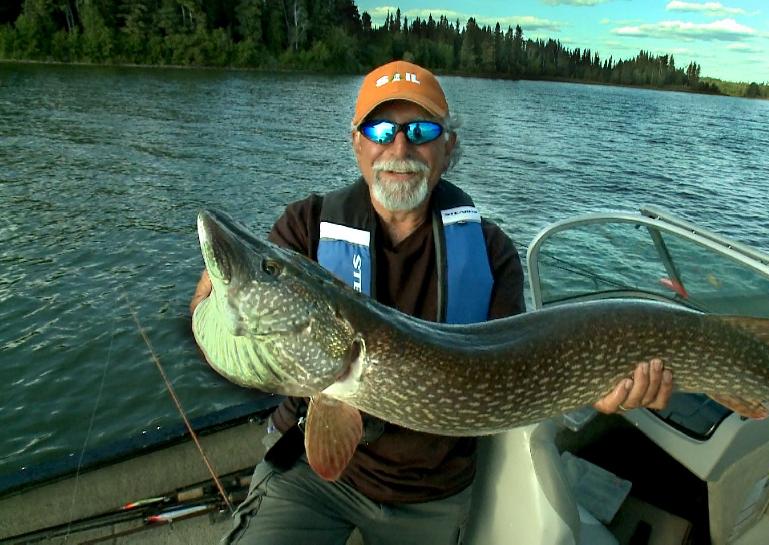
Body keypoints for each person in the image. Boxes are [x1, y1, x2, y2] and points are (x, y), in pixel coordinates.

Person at [190, 60, 674, 545]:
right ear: (357, 141)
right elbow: (238, 333)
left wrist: (597, 386)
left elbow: (527, 371)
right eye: (381, 129)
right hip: (308, 474)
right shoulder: (306, 226)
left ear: (449, 146)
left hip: (431, 493)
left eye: (421, 130)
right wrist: (209, 310)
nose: (399, 148)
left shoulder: (490, 252)